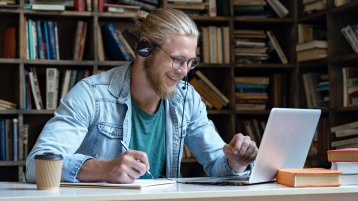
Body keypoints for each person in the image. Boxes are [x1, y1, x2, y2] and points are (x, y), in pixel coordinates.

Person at [26, 8, 258, 184]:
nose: (185, 71)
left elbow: (217, 163)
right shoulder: (91, 94)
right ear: (145, 49)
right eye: (177, 60)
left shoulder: (188, 99)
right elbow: (36, 166)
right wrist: (104, 169)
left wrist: (235, 163)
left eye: (190, 62)